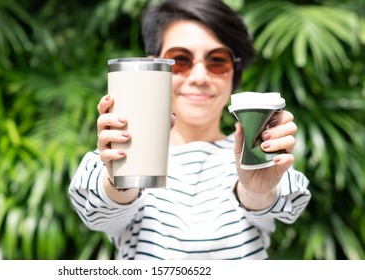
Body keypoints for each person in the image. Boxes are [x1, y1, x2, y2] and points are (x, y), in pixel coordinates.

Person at [69, 0, 311, 260]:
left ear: (235, 71)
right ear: (152, 68)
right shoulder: (112, 157)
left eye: (217, 61)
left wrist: (256, 189)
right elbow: (97, 213)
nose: (199, 77)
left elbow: (286, 202)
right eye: (181, 60)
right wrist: (123, 172)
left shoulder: (256, 154)